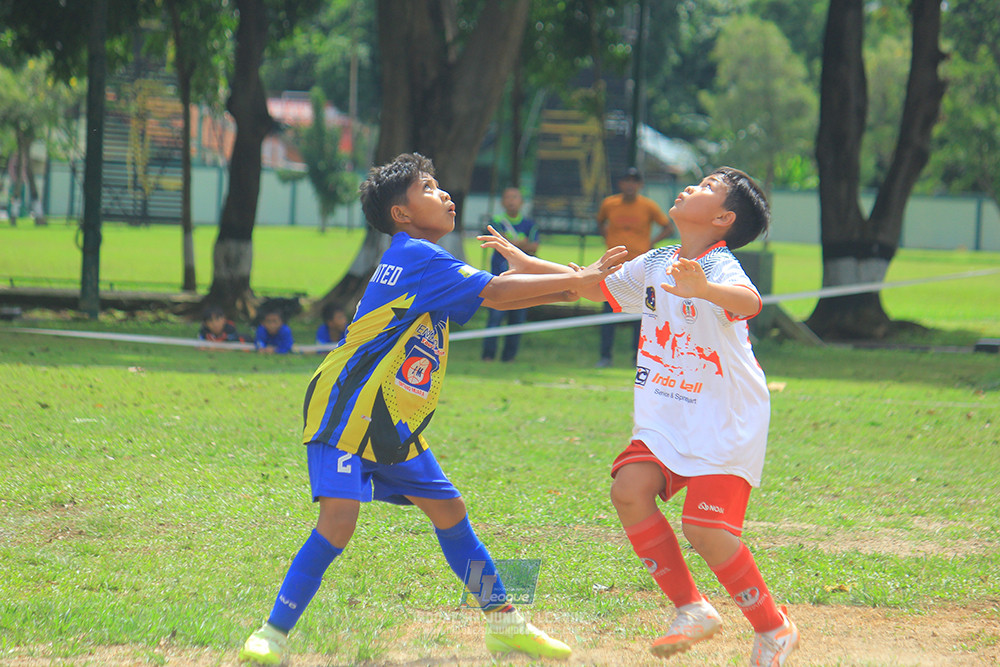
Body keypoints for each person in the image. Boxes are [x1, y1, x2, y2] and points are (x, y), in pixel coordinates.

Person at [238, 153, 626, 666]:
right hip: (348, 407)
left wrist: (578, 281)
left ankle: (507, 624)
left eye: (441, 185)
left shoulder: (423, 259)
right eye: (428, 188)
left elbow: (501, 295)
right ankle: (272, 634)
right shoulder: (418, 257)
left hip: (391, 418)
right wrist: (580, 282)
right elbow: (499, 292)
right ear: (401, 213)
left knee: (450, 509)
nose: (445, 195)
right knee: (339, 521)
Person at [481, 167, 799, 666]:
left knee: (705, 531)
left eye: (708, 187)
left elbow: (750, 301)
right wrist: (528, 264)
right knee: (628, 491)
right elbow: (590, 287)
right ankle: (692, 608)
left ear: (722, 218)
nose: (692, 186)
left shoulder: (717, 265)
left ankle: (773, 627)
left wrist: (706, 291)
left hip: (725, 416)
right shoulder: (656, 262)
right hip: (668, 412)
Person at [596, 166, 673, 367]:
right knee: (608, 309)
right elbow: (599, 221)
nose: (630, 185)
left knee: (641, 313)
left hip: (639, 266)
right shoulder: (610, 204)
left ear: (639, 185)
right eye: (626, 181)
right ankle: (605, 356)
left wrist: (651, 243)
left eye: (634, 181)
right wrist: (609, 240)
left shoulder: (648, 206)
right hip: (613, 266)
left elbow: (667, 226)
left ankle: (637, 357)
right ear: (621, 184)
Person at [481, 186, 540, 362]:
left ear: (521, 202)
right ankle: (488, 355)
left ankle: (509, 357)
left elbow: (534, 246)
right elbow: (500, 242)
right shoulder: (496, 222)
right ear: (502, 202)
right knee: (495, 318)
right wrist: (521, 243)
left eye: (515, 197)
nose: (512, 201)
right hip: (499, 278)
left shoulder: (530, 224)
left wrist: (512, 244)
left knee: (517, 318)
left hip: (523, 280)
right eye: (508, 197)